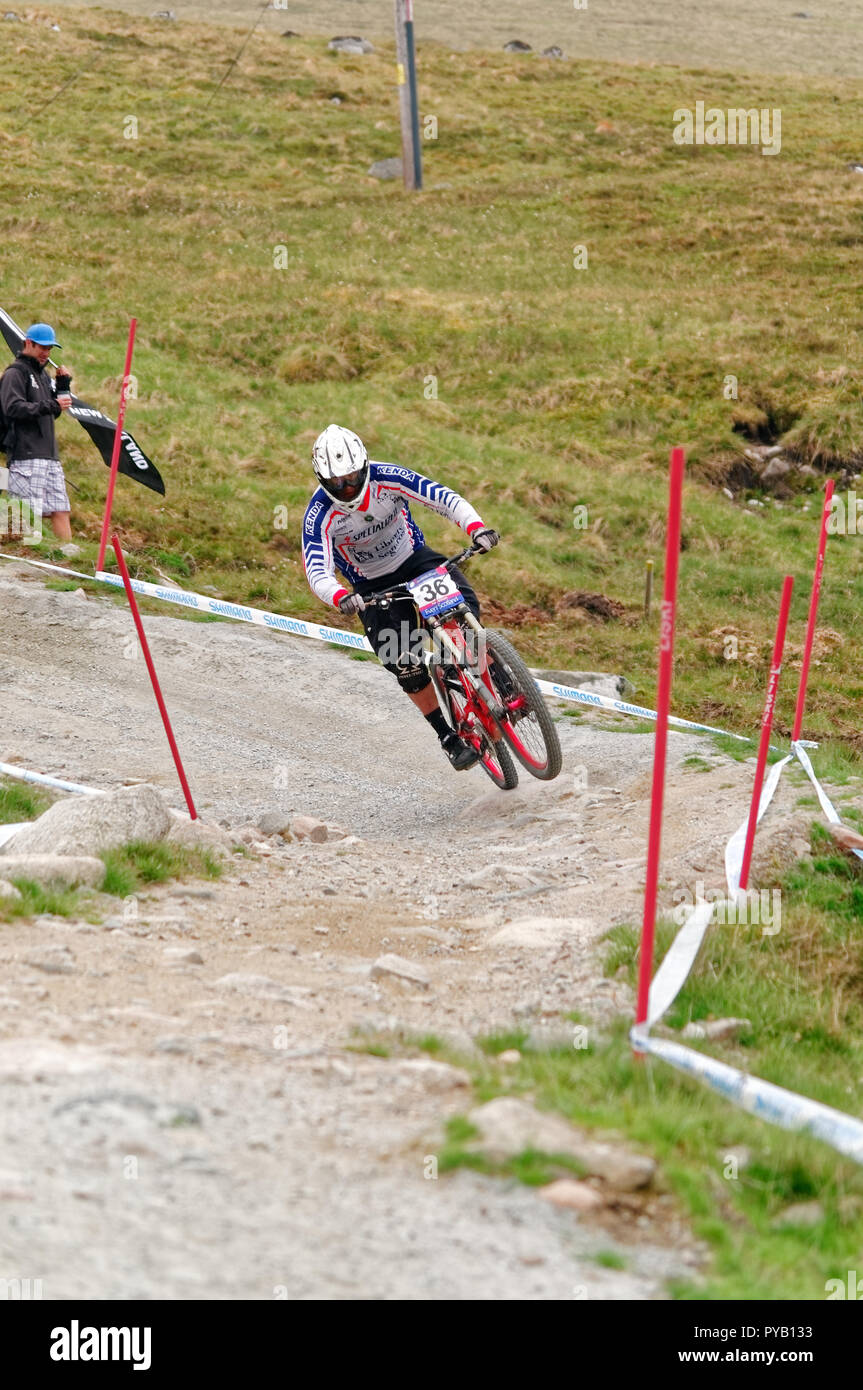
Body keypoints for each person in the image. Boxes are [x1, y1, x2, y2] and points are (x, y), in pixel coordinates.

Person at [302, 423, 500, 770]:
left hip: (414, 560)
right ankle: (447, 737)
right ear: (323, 481)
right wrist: (339, 597)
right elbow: (317, 568)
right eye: (336, 483)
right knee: (403, 661)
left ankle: (499, 680)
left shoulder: (388, 477)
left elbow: (441, 497)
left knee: (466, 610)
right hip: (372, 587)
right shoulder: (319, 514)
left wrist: (476, 527)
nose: (347, 488)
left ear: (363, 466)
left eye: (351, 477)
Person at [0, 323, 73, 541]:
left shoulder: (42, 376)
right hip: (24, 455)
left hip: (50, 456)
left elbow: (52, 413)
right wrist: (51, 405)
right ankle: (16, 562)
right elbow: (12, 408)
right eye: (43, 347)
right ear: (28, 343)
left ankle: (68, 559)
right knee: (22, 519)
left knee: (61, 509)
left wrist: (61, 387)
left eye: (50, 348)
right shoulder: (15, 373)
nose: (46, 353)